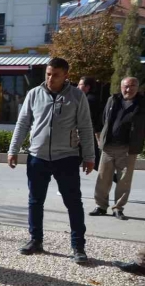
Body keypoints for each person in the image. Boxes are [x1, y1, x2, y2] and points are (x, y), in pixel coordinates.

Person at [7, 57, 95, 264]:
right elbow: (22, 124)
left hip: (67, 158)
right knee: (35, 201)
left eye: (55, 75)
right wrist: (13, 149)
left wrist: (89, 156)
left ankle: (78, 246)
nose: (50, 78)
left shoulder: (76, 96)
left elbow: (85, 127)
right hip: (37, 157)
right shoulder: (34, 94)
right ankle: (35, 240)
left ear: (66, 75)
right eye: (48, 73)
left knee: (73, 203)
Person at [89, 77, 145, 221]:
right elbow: (104, 119)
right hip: (109, 146)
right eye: (126, 86)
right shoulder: (113, 100)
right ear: (121, 87)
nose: (129, 89)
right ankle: (101, 206)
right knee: (103, 178)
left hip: (128, 148)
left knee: (124, 180)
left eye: (133, 86)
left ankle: (118, 208)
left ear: (137, 88)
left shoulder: (143, 103)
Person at [77, 76, 104, 167]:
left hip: (87, 135)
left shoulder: (89, 100)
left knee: (74, 163)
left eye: (80, 84)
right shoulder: (92, 98)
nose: (77, 87)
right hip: (90, 134)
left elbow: (91, 120)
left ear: (87, 87)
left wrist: (97, 136)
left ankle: (118, 179)